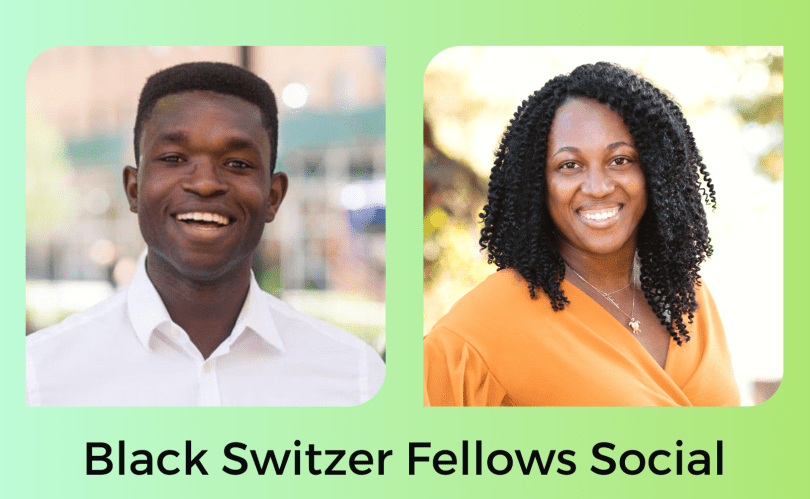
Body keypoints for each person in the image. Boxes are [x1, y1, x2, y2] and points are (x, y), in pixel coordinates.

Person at [27, 62, 385, 406]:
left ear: (273, 197)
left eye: (237, 164)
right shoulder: (37, 379)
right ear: (133, 189)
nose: (205, 183)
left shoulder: (357, 379)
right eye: (173, 158)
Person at [423, 62, 740, 407]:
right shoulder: (486, 323)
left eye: (620, 160)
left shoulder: (688, 294)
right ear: (538, 184)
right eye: (569, 165)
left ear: (654, 169)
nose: (598, 187)